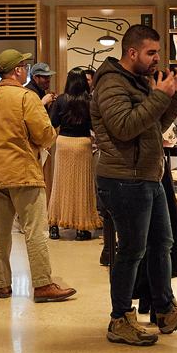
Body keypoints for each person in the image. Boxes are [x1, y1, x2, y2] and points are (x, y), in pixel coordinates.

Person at [91, 24, 177, 346]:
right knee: (131, 251)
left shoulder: (137, 81)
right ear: (132, 53)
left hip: (148, 175)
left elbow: (157, 125)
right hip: (124, 179)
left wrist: (175, 96)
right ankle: (120, 319)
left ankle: (165, 309)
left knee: (162, 244)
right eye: (151, 53)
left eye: (158, 52)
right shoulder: (112, 82)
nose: (157, 59)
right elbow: (125, 127)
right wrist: (160, 94)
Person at [0, 49, 76, 303]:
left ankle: (2, 285)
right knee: (36, 231)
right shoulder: (26, 98)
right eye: (25, 65)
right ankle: (42, 285)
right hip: (24, 174)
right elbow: (43, 135)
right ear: (18, 70)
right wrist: (52, 134)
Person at [47, 69, 102, 241]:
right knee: (82, 186)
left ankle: (54, 226)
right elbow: (95, 126)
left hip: (63, 143)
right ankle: (82, 229)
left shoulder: (62, 99)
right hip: (82, 144)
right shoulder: (89, 101)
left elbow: (53, 122)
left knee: (60, 184)